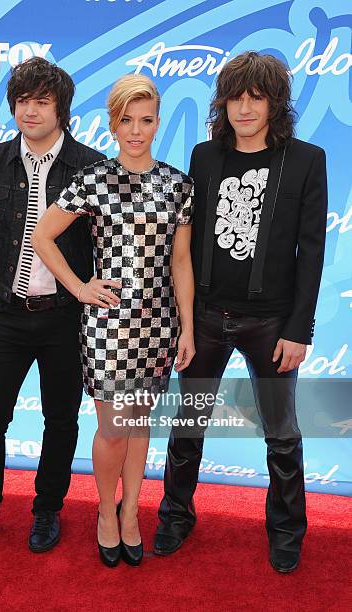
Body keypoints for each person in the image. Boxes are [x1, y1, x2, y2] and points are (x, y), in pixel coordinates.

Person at [154, 51, 328, 573]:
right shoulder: (205, 157)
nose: (245, 108)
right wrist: (181, 318)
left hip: (272, 321)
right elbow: (183, 243)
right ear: (222, 102)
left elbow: (312, 250)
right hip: (206, 315)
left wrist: (300, 329)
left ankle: (286, 530)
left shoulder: (307, 159)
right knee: (188, 426)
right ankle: (176, 515)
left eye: (257, 97)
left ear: (276, 104)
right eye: (236, 96)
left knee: (281, 433)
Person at [32, 74, 195, 567]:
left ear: (158, 123)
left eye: (146, 120)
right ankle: (106, 512)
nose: (137, 130)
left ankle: (131, 515)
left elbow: (181, 262)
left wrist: (187, 326)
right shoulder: (94, 180)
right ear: (112, 124)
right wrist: (80, 287)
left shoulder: (178, 185)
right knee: (113, 428)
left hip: (159, 324)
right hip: (107, 327)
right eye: (127, 120)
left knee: (139, 423)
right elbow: (42, 235)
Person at [0, 57, 105, 558]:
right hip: (6, 314)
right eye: (22, 101)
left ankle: (46, 510)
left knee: (61, 420)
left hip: (66, 317)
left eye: (41, 101)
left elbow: (105, 243)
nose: (29, 111)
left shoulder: (89, 164)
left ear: (62, 109)